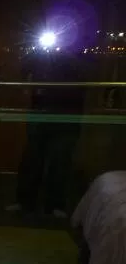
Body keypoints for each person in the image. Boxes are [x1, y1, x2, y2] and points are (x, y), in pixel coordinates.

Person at [11, 51, 85, 217]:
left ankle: (54, 204)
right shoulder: (41, 56)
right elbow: (24, 70)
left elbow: (82, 82)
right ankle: (25, 202)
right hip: (42, 114)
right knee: (32, 159)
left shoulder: (77, 57)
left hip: (66, 117)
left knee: (59, 162)